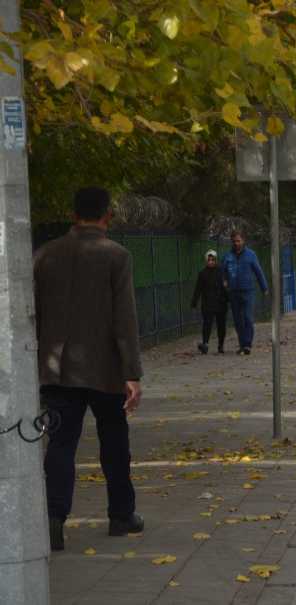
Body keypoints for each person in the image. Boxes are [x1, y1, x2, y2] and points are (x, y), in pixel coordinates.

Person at [34, 187, 144, 551]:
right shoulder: (117, 256)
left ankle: (53, 518)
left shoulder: (45, 255)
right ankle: (120, 515)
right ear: (107, 215)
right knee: (114, 439)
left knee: (61, 443)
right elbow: (124, 318)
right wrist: (132, 373)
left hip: (58, 368)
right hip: (106, 370)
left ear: (73, 214)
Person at [222, 231, 268, 355]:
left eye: (238, 241)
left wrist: (264, 287)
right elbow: (223, 272)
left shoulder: (251, 255)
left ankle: (247, 344)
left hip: (248, 291)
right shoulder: (227, 256)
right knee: (237, 320)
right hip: (233, 292)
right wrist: (224, 281)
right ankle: (242, 344)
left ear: (243, 241)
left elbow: (258, 271)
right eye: (234, 241)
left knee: (247, 317)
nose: (236, 243)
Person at [191, 250, 228, 354]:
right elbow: (198, 289)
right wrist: (194, 302)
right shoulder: (202, 274)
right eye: (209, 260)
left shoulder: (221, 272)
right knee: (207, 324)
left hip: (221, 303)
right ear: (206, 260)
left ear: (216, 260)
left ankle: (221, 345)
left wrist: (228, 298)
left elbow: (225, 287)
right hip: (207, 303)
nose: (211, 262)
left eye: (213, 260)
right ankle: (205, 344)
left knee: (221, 325)